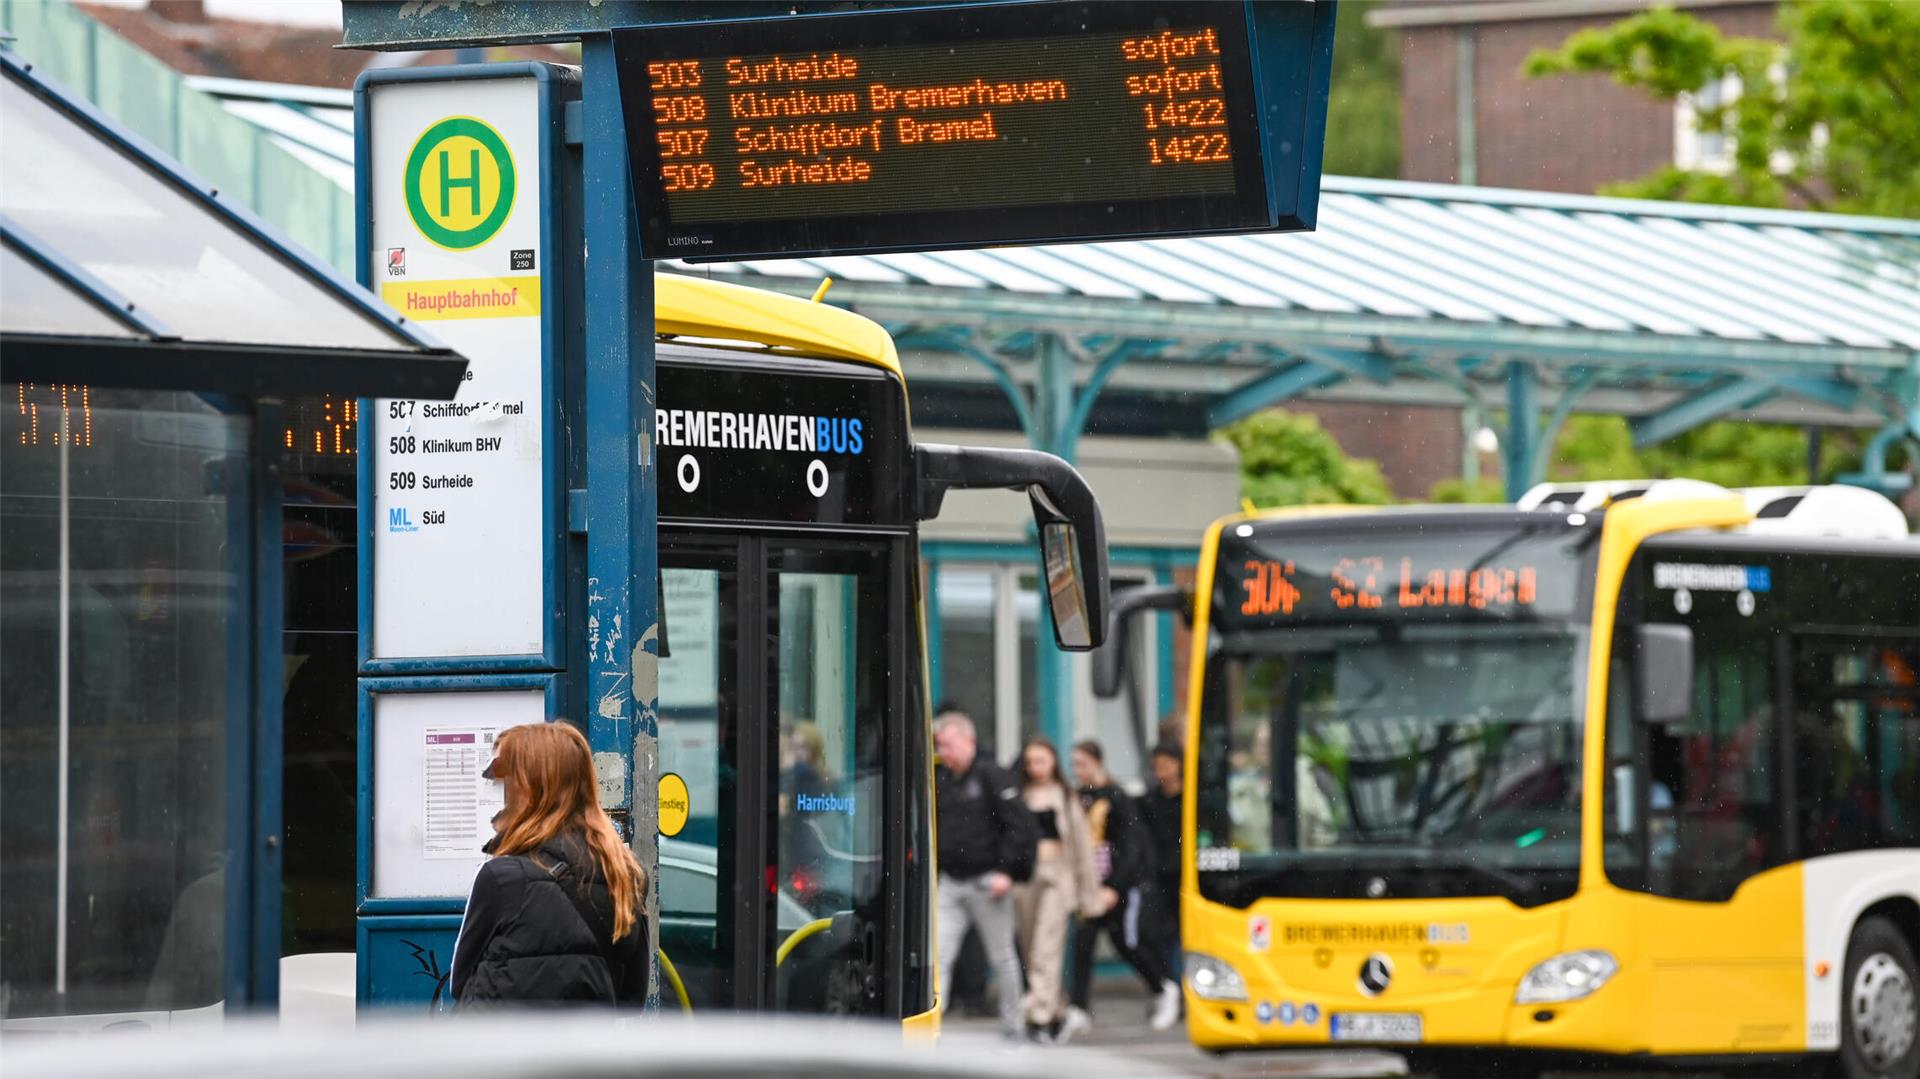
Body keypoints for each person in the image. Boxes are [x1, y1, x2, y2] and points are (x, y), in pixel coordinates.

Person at [451, 722, 649, 1007]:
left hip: (499, 1048)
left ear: (528, 789)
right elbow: (631, 997)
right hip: (583, 1048)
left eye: (509, 782)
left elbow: (460, 982)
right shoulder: (625, 873)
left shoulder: (502, 878)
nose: (503, 793)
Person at [1061, 739, 1180, 1041]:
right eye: (1074, 764)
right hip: (1092, 885)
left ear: (1098, 762)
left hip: (1121, 886)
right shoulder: (1078, 797)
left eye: (1083, 764)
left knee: (1129, 941)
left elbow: (1130, 847)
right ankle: (1078, 1008)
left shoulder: (1117, 797)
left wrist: (1115, 886)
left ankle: (1164, 987)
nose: (1078, 770)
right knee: (1084, 939)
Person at [933, 709, 1040, 1039]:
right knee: (939, 956)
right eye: (940, 746)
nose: (943, 753)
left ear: (970, 740)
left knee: (1002, 955)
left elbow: (1021, 826)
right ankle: (932, 1027)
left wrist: (1006, 871)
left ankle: (1015, 1026)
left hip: (987, 882)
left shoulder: (992, 776)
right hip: (951, 882)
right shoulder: (942, 780)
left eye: (948, 745)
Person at [1013, 737, 1102, 1042]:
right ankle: (1056, 1011)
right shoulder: (1020, 795)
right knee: (1030, 949)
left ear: (1053, 762)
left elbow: (1081, 849)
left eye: (1041, 760)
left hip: (1057, 879)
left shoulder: (1065, 797)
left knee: (1044, 951)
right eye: (1030, 762)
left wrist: (1089, 894)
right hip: (1027, 882)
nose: (1036, 768)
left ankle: (1036, 1017)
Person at [1138, 740, 1185, 998]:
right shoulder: (1150, 801)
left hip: (1185, 876)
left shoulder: (1191, 799)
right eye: (1157, 767)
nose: (1162, 773)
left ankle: (1180, 986)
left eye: (1166, 766)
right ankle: (1171, 986)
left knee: (1182, 935)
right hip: (1160, 876)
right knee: (1156, 934)